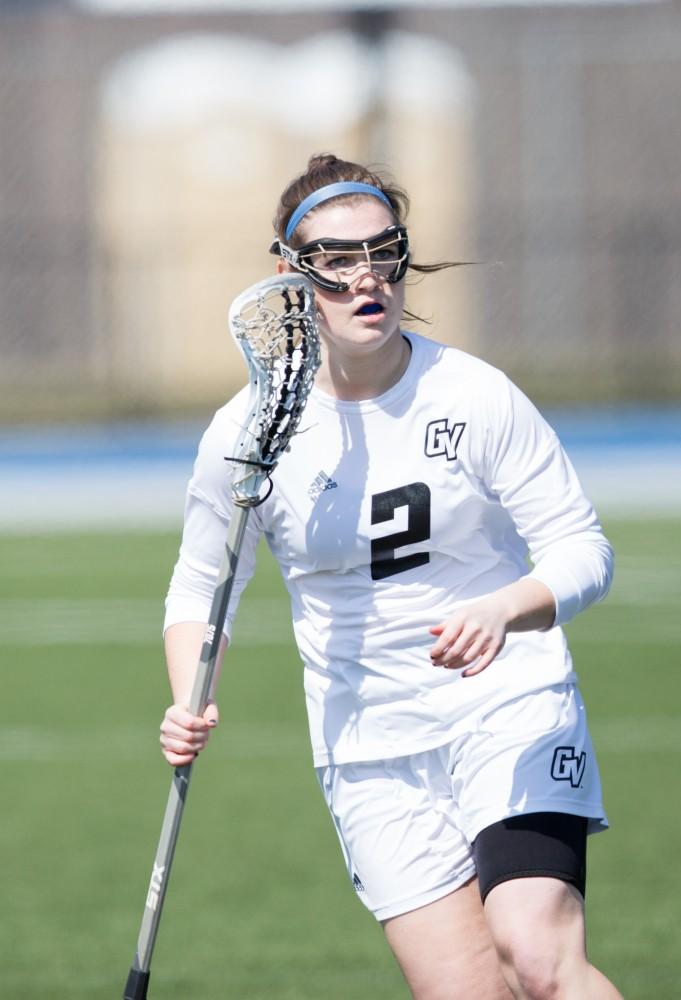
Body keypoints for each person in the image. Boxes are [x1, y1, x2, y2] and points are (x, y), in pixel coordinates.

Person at [160, 153, 623, 1000]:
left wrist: (506, 609)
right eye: (337, 262)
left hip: (506, 707)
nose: (366, 278)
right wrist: (187, 698)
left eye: (383, 253)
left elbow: (582, 549)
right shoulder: (248, 433)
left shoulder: (475, 395)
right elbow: (200, 588)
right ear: (291, 280)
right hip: (367, 745)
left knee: (536, 957)